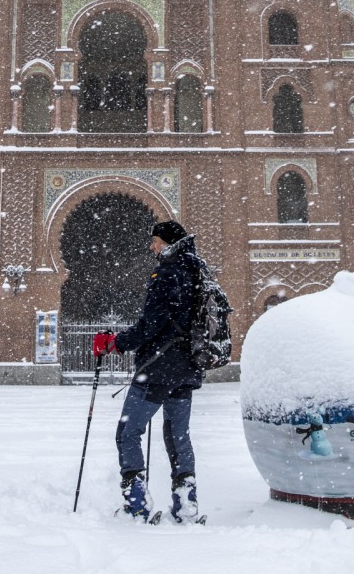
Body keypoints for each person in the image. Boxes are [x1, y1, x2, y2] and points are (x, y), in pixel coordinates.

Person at [93, 220, 207, 523]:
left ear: (168, 243)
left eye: (155, 241)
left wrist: (117, 342)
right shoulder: (197, 271)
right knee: (178, 435)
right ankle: (186, 506)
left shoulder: (167, 272)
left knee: (128, 433)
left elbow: (151, 324)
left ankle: (136, 506)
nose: (152, 247)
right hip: (186, 369)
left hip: (158, 369)